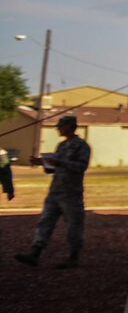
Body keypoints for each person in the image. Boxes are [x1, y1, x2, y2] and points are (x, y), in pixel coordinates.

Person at [15, 114, 90, 268]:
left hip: (71, 194)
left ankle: (73, 257)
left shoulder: (82, 146)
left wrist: (59, 162)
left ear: (70, 126)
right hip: (55, 192)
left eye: (61, 126)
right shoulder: (61, 146)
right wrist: (43, 162)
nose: (58, 129)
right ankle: (35, 253)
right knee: (45, 221)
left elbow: (81, 167)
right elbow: (52, 169)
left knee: (73, 225)